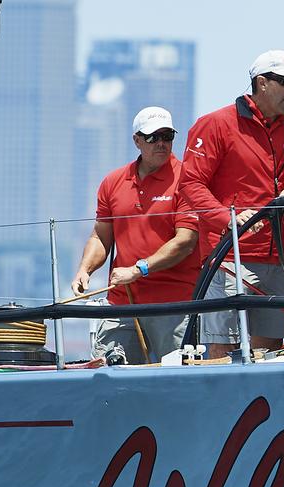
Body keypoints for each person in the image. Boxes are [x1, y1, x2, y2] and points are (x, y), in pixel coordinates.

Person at [179, 50, 284, 356]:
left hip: (280, 260)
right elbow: (190, 184)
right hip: (230, 258)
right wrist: (226, 218)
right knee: (223, 350)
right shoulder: (215, 124)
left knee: (269, 353)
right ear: (262, 83)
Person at [70, 107, 199, 364]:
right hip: (123, 302)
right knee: (106, 372)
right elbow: (100, 237)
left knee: (177, 383)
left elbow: (186, 241)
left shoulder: (187, 179)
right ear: (137, 140)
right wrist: (85, 270)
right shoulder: (113, 181)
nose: (162, 143)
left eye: (167, 136)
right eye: (153, 137)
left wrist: (138, 270)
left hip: (174, 305)